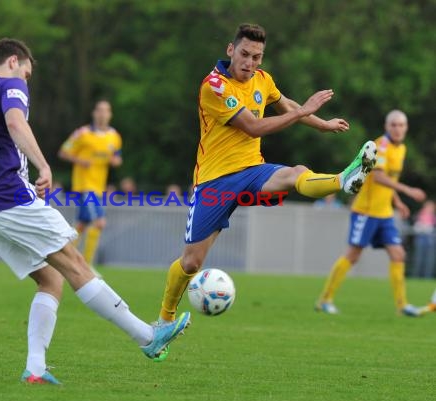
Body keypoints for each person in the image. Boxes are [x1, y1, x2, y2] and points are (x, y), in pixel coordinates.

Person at [0, 38, 190, 384]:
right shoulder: (10, 85)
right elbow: (15, 123)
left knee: (51, 279)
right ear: (13, 61)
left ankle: (36, 369)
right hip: (10, 196)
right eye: (26, 74)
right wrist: (43, 165)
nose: (26, 83)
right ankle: (147, 336)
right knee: (75, 264)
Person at [156, 23, 376, 360]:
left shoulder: (263, 79)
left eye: (257, 57)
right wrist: (306, 111)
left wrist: (323, 124)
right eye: (244, 54)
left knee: (295, 173)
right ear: (231, 50)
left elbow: (286, 106)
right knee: (191, 262)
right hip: (215, 183)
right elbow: (254, 126)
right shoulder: (214, 86)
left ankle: (342, 181)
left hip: (253, 172)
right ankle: (163, 323)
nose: (250, 62)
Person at [316, 110, 426, 316]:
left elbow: (389, 180)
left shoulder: (401, 148)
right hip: (365, 211)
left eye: (401, 125)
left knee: (398, 254)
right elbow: (378, 178)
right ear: (387, 126)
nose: (397, 128)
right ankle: (325, 299)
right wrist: (408, 190)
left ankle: (402, 306)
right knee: (353, 255)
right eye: (393, 124)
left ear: (406, 127)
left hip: (384, 214)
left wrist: (398, 201)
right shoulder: (381, 146)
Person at [58, 100, 122, 269]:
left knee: (80, 225)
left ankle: (62, 260)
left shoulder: (114, 136)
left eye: (106, 110)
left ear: (110, 114)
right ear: (94, 113)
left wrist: (115, 161)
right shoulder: (82, 133)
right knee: (99, 222)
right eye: (99, 110)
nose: (102, 114)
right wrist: (80, 160)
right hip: (84, 186)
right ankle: (86, 265)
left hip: (98, 187)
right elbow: (63, 152)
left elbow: (117, 157)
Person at [412, 200, 435, 278]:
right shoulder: (419, 214)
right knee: (418, 259)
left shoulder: (433, 217)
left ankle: (427, 277)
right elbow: (415, 227)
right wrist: (421, 227)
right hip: (420, 239)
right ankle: (416, 276)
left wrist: (430, 229)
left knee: (429, 260)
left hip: (430, 240)